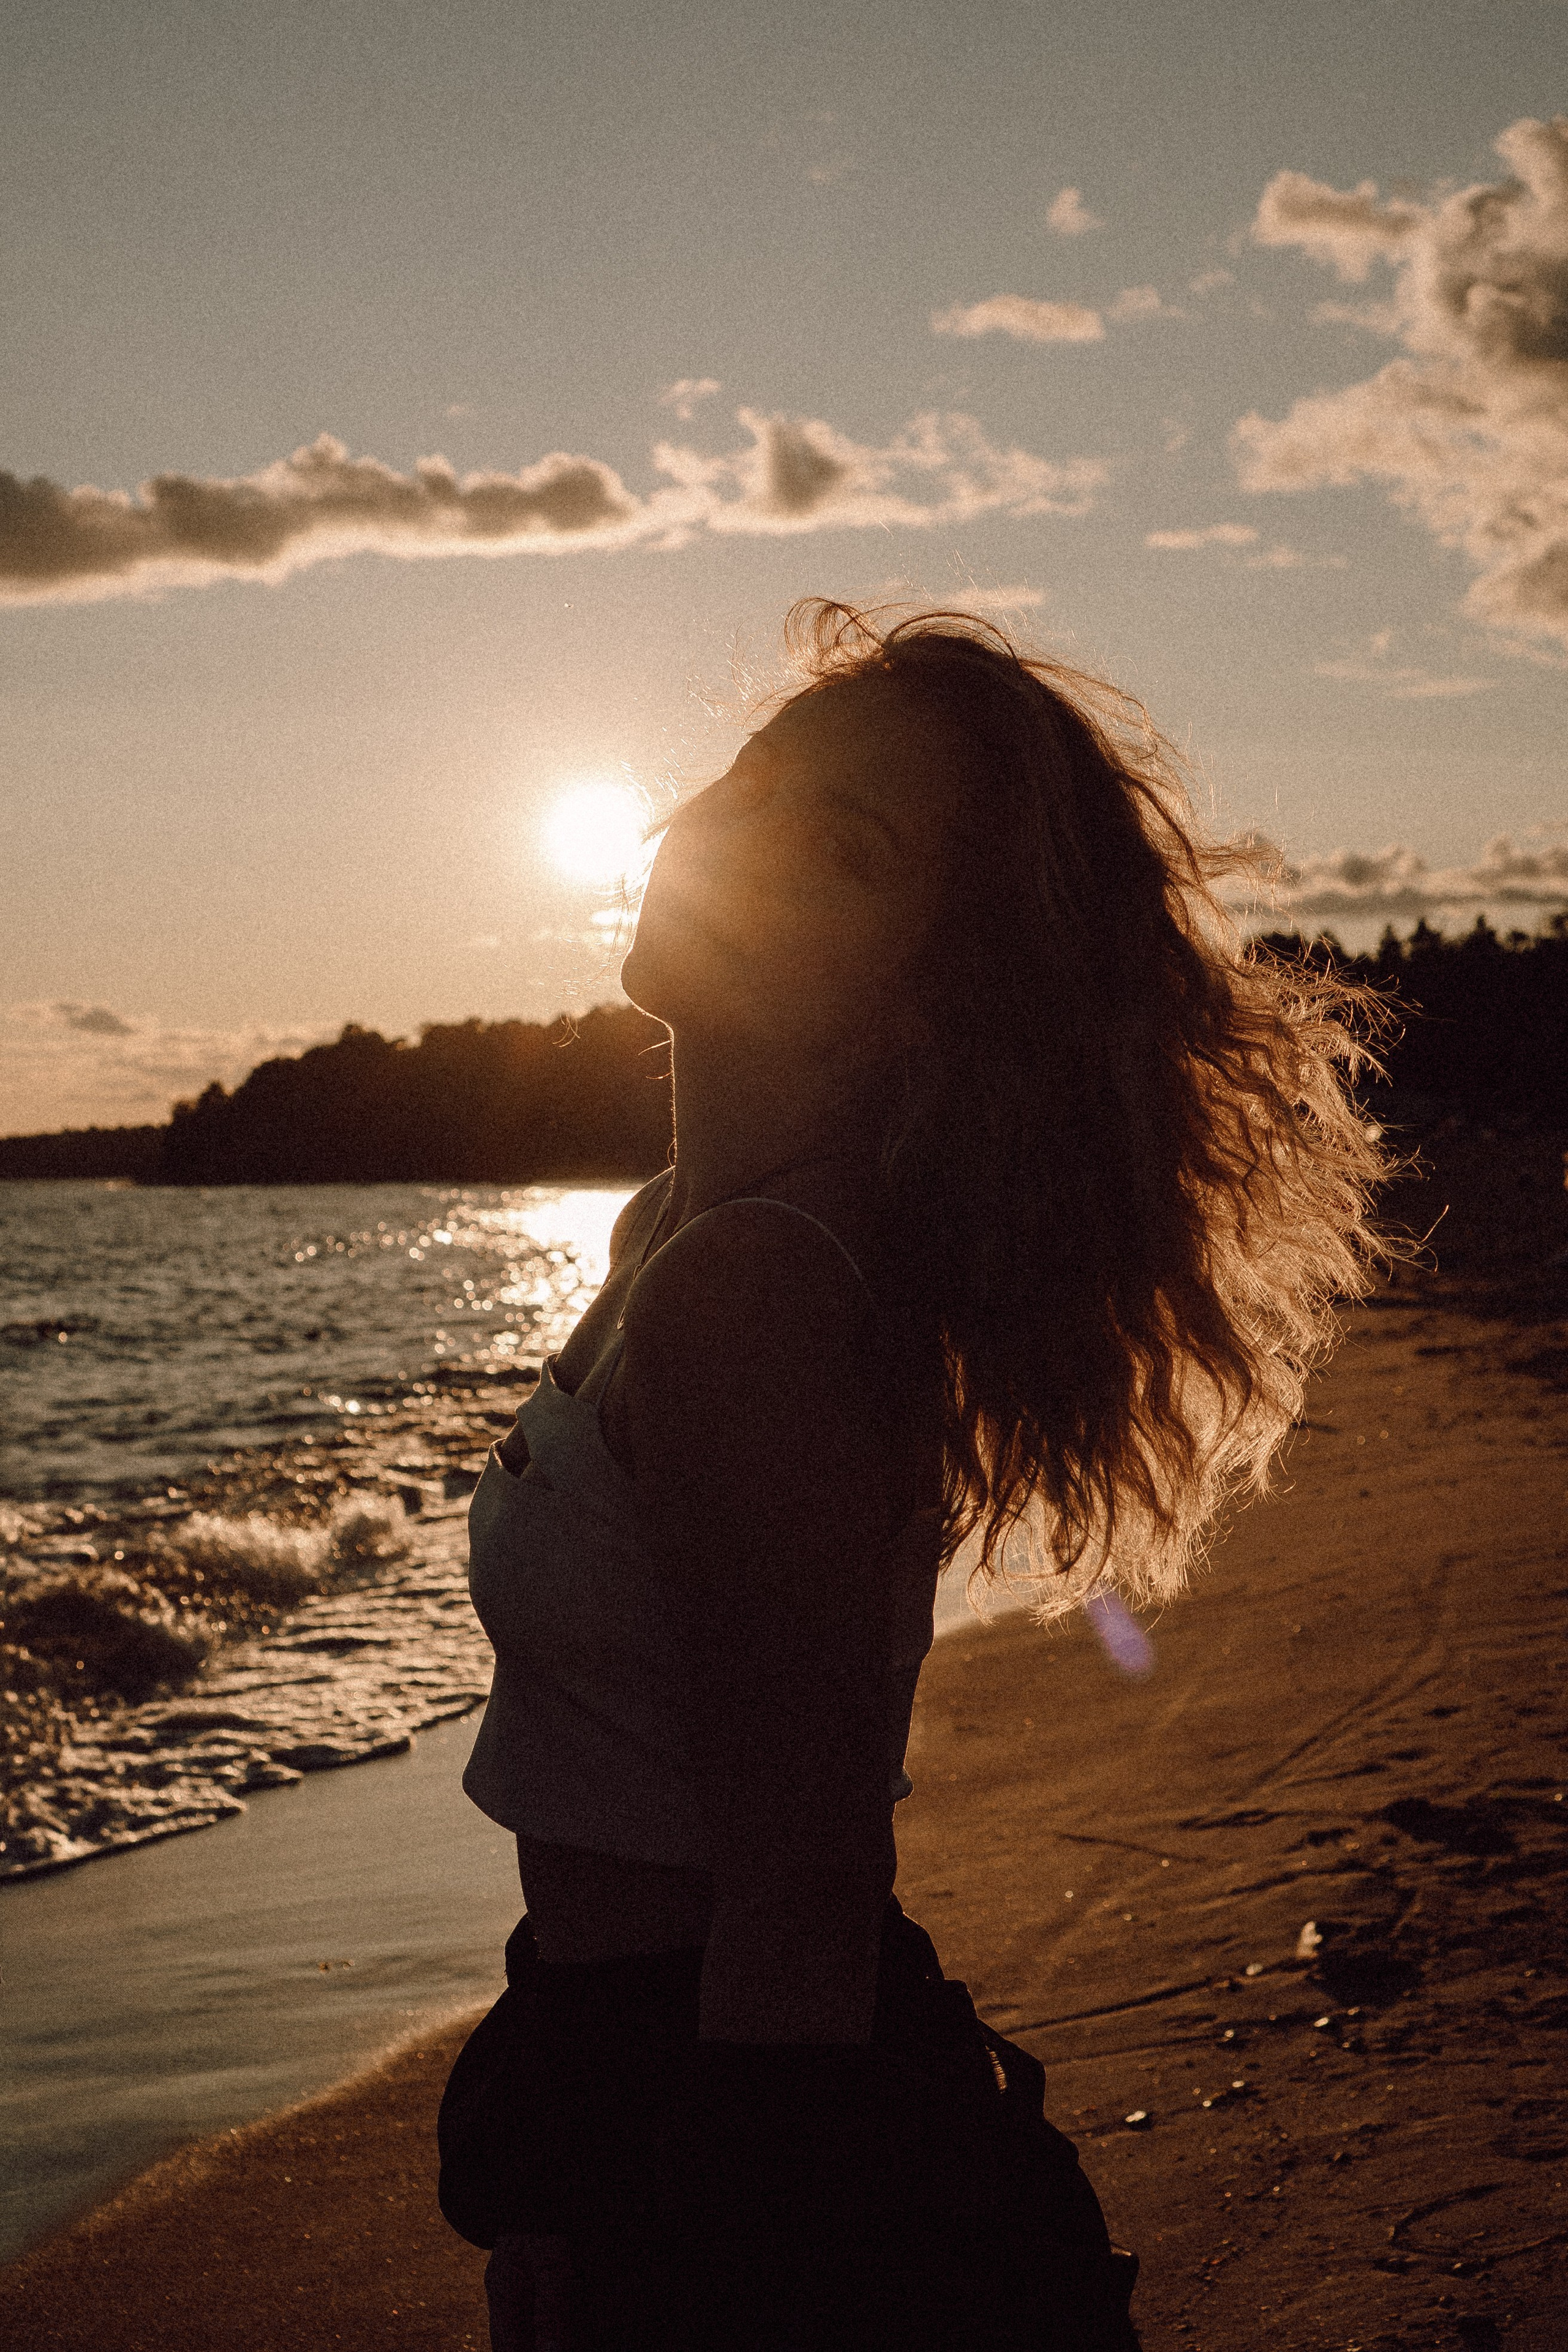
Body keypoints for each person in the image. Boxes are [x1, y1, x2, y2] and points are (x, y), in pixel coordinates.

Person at [443, 601, 1386, 2349]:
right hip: (641, 2061)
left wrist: (672, 2262)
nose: (741, 840)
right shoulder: (679, 1235)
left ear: (928, 994)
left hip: (751, 2126)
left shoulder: (757, 1295)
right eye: (759, 782)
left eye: (846, 849)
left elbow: (801, 1895)